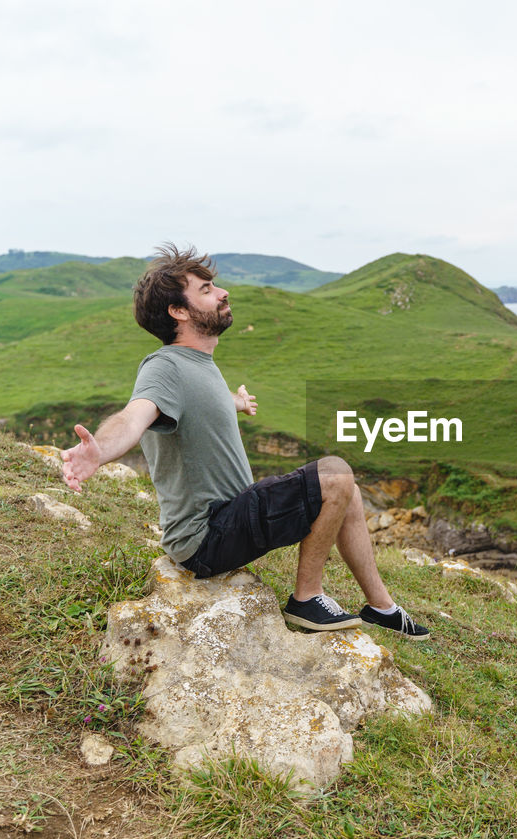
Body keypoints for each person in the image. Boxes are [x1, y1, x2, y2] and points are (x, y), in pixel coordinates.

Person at [60, 243, 428, 640]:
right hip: (206, 535)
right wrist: (101, 449)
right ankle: (307, 599)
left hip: (229, 517)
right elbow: (135, 416)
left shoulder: (200, 364)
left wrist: (231, 402)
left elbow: (195, 407)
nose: (222, 293)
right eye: (205, 290)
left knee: (349, 491)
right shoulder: (164, 366)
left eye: (214, 285)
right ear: (178, 312)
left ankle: (382, 607)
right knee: (336, 474)